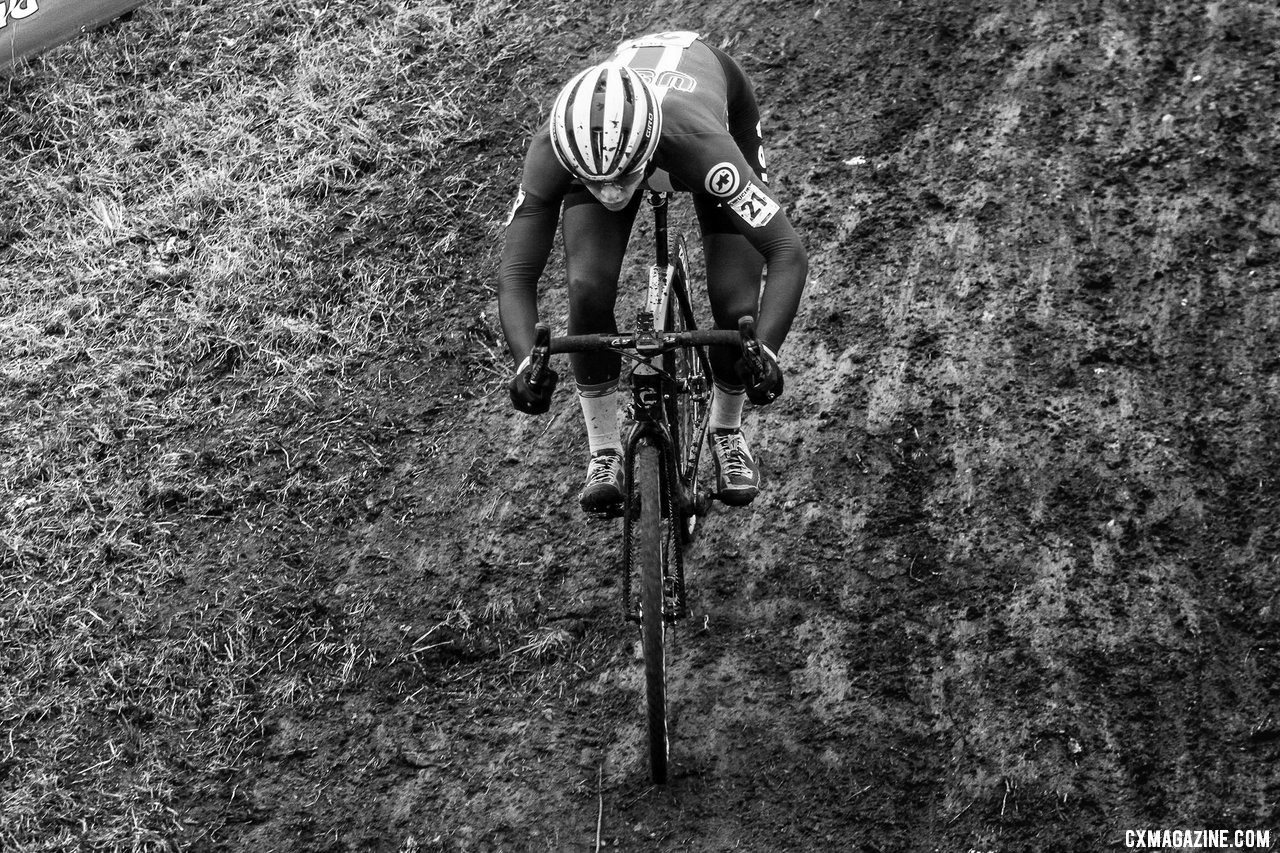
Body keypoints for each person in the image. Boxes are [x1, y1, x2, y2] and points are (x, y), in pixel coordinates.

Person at [498, 31, 807, 513]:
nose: (613, 195)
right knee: (586, 288)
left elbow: (787, 251)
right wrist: (525, 362)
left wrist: (764, 349)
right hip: (616, 139)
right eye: (595, 183)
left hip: (699, 120)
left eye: (623, 178)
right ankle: (603, 448)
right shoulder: (557, 150)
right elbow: (517, 274)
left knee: (736, 305)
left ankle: (727, 431)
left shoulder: (701, 144)